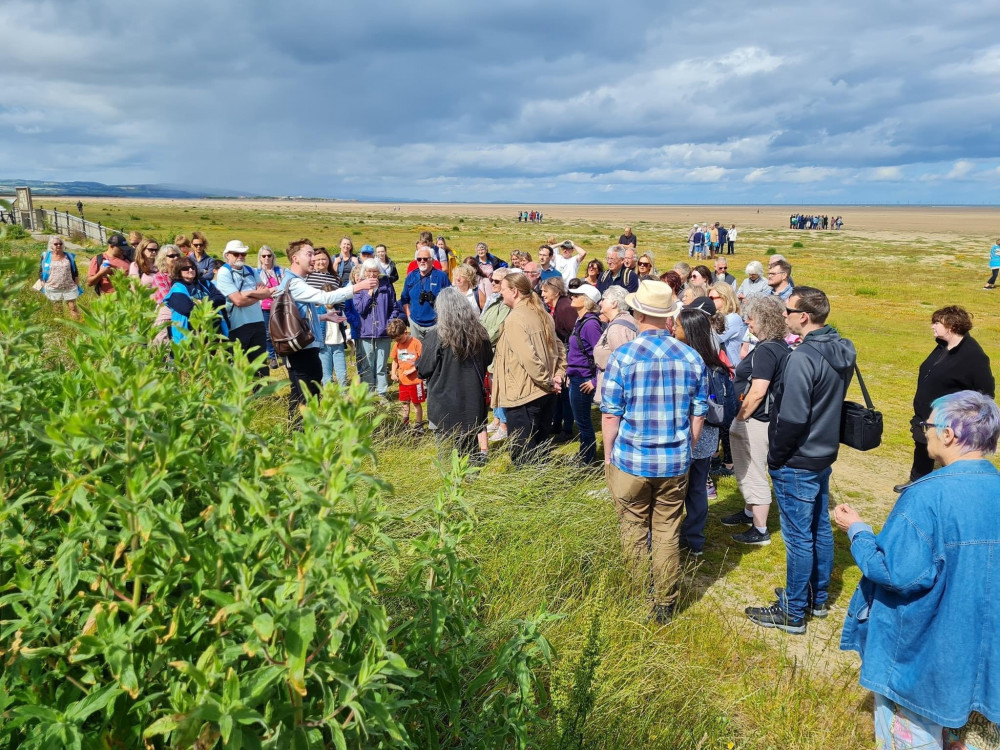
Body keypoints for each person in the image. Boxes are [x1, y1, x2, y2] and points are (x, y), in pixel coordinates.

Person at [834, 391, 1000, 750]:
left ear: (949, 434)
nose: (924, 431)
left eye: (927, 424)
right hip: (984, 663)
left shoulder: (926, 496)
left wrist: (858, 531)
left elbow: (895, 572)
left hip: (923, 662)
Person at [745, 286, 856, 634]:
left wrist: (776, 457)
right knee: (819, 528)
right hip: (824, 452)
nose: (783, 316)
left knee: (798, 537)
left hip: (798, 457)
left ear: (803, 317)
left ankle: (793, 612)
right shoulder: (842, 348)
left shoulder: (802, 358)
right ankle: (816, 597)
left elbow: (792, 418)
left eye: (788, 311)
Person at [601, 281, 706, 624]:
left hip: (631, 459)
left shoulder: (624, 356)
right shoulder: (691, 357)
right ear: (667, 317)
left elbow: (610, 412)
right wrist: (687, 445)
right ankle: (664, 602)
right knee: (666, 532)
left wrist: (608, 454)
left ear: (639, 312)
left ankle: (637, 593)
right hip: (674, 461)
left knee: (632, 530)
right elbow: (699, 410)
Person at [896, 305, 994, 492]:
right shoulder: (942, 346)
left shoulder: (974, 356)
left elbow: (986, 393)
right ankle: (917, 482)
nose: (932, 327)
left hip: (949, 419)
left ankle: (951, 490)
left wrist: (966, 415)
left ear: (951, 326)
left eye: (936, 323)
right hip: (926, 414)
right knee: (923, 447)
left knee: (949, 455)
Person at [277, 239, 376, 421]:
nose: (313, 259)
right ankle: (305, 436)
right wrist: (357, 287)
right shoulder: (295, 283)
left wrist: (323, 317)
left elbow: (298, 314)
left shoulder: (293, 281)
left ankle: (296, 433)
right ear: (295, 258)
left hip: (302, 348)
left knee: (298, 397)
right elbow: (324, 296)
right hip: (302, 351)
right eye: (309, 254)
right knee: (306, 398)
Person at [722, 296, 789, 546]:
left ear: (764, 320)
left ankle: (760, 531)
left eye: (751, 317)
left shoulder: (767, 349)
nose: (747, 321)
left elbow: (758, 391)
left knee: (753, 471)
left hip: (756, 420)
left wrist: (740, 418)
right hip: (764, 419)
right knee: (749, 469)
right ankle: (749, 513)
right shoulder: (778, 345)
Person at [492, 271, 566, 464]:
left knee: (523, 455)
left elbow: (529, 358)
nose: (501, 293)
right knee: (540, 448)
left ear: (515, 292)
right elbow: (560, 349)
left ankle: (529, 493)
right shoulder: (542, 313)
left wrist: (549, 380)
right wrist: (557, 376)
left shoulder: (515, 319)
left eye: (503, 289)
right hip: (545, 394)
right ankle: (543, 489)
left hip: (523, 397)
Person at [416, 288, 494, 464]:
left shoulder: (436, 335)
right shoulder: (480, 333)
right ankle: (472, 483)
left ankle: (449, 486)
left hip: (443, 403)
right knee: (469, 449)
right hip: (472, 399)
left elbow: (423, 369)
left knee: (444, 454)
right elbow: (488, 359)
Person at [674, 307, 726, 556]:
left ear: (690, 331)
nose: (673, 329)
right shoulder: (714, 362)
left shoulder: (689, 363)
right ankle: (694, 539)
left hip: (688, 435)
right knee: (697, 490)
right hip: (707, 439)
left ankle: (674, 535)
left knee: (675, 490)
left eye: (678, 325)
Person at [215, 240, 272, 379]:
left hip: (257, 322)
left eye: (243, 253)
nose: (241, 256)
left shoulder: (251, 270)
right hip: (236, 325)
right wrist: (256, 295)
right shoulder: (224, 272)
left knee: (260, 364)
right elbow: (238, 301)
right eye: (236, 253)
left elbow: (267, 293)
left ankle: (262, 396)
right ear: (227, 255)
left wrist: (246, 294)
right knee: (236, 364)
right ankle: (237, 397)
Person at [565, 284, 605, 465]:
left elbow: (601, 355)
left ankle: (587, 459)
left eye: (577, 295)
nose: (572, 297)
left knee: (583, 423)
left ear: (587, 301)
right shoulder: (581, 321)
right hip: (576, 376)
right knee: (581, 421)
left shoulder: (590, 325)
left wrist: (595, 381)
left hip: (583, 379)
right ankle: (584, 454)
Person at [354, 258, 399, 398]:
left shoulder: (387, 286)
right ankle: (368, 394)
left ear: (379, 271)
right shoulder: (359, 288)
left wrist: (389, 323)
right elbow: (359, 309)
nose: (372, 274)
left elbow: (395, 308)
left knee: (381, 366)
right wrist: (369, 294)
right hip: (366, 333)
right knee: (368, 366)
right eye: (369, 271)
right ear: (364, 272)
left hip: (383, 333)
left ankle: (382, 393)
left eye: (374, 271)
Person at [540, 275, 577, 442]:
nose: (542, 294)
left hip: (567, 353)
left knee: (566, 393)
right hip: (560, 352)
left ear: (555, 292)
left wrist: (567, 354)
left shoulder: (565, 307)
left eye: (545, 291)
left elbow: (574, 332)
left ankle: (567, 429)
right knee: (559, 393)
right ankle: (556, 424)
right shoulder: (555, 307)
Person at [306, 247, 348, 387]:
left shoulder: (335, 278)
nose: (321, 262)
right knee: (322, 368)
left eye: (323, 259)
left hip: (334, 325)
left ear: (328, 261)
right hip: (317, 322)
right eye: (317, 259)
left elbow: (341, 301)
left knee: (341, 370)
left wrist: (338, 314)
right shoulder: (308, 277)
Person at [163, 257, 229, 342]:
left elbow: (220, 298)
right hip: (191, 333)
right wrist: (210, 303)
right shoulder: (176, 290)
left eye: (193, 267)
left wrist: (202, 302)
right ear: (178, 271)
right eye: (185, 268)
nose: (190, 270)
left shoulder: (205, 283)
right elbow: (188, 309)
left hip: (213, 329)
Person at [482, 267, 513, 442]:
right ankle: (496, 419)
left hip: (499, 351)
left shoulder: (507, 304)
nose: (492, 283)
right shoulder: (495, 300)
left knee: (500, 388)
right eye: (491, 280)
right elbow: (483, 321)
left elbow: (498, 329)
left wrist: (483, 340)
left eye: (497, 281)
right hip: (489, 350)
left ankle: (504, 425)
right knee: (493, 387)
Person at [593, 286, 637, 395]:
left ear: (614, 303)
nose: (600, 303)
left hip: (616, 390)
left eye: (603, 299)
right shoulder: (624, 321)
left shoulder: (617, 328)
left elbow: (623, 363)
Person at [400, 247, 451, 341]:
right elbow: (404, 299)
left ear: (432, 260)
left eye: (425, 259)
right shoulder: (411, 276)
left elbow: (450, 300)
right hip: (415, 324)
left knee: (434, 353)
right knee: (417, 353)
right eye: (419, 259)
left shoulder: (441, 277)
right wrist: (409, 316)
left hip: (436, 324)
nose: (422, 261)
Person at [388, 318, 426, 431]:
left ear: (405, 331)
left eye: (399, 339)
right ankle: (405, 424)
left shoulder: (416, 343)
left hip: (416, 382)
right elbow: (395, 360)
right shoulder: (397, 345)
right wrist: (393, 372)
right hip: (403, 382)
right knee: (405, 403)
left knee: (416, 404)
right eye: (396, 340)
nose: (398, 342)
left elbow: (423, 360)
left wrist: (413, 369)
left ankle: (419, 426)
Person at [38, 236, 81, 319]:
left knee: (73, 307)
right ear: (51, 245)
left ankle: (78, 325)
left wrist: (76, 283)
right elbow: (41, 270)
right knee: (57, 308)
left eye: (60, 244)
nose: (58, 245)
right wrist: (42, 281)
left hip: (69, 286)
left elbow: (75, 271)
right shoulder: (46, 256)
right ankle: (60, 326)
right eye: (56, 244)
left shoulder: (68, 256)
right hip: (53, 287)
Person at [256, 245, 283, 369]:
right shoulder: (257, 273)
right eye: (264, 256)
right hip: (264, 307)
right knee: (268, 333)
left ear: (273, 257)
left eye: (269, 255)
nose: (267, 258)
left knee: (280, 330)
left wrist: (269, 290)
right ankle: (272, 356)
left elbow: (283, 286)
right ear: (260, 258)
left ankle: (282, 352)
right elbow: (257, 290)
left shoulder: (280, 271)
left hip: (279, 305)